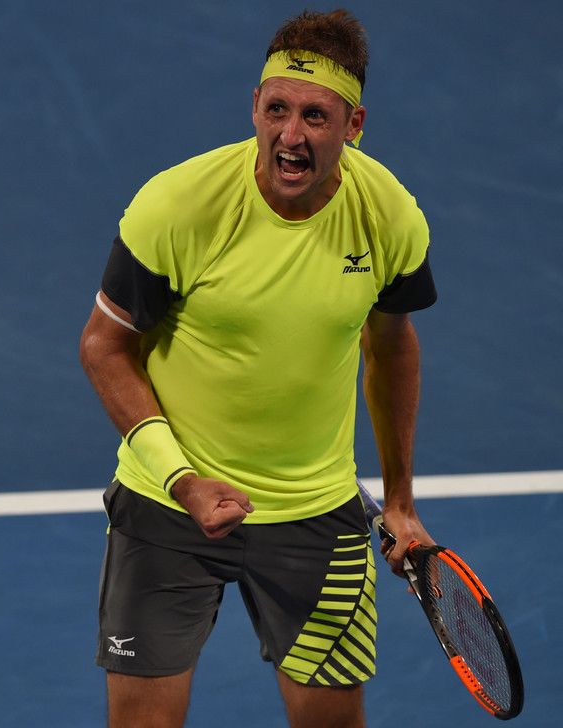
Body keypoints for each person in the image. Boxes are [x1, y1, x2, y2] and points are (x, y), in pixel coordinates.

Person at [78, 9, 438, 728]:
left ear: (354, 125)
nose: (290, 136)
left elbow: (392, 343)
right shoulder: (179, 205)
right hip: (167, 506)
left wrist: (399, 501)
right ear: (254, 106)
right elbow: (103, 346)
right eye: (276, 109)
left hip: (316, 514)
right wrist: (183, 480)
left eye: (315, 116)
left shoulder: (390, 217)